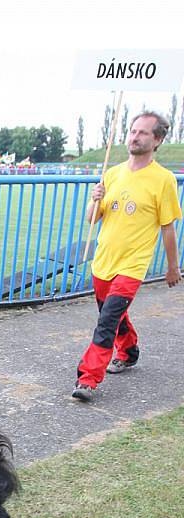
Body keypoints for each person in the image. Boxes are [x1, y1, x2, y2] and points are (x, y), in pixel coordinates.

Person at [72, 111, 182, 403]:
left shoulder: (163, 180)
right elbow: (92, 219)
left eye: (143, 132)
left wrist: (173, 267)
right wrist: (95, 200)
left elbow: (168, 227)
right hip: (103, 261)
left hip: (132, 266)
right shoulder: (112, 172)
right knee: (112, 316)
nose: (135, 137)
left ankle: (88, 379)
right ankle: (129, 351)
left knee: (106, 322)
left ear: (157, 140)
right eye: (133, 131)